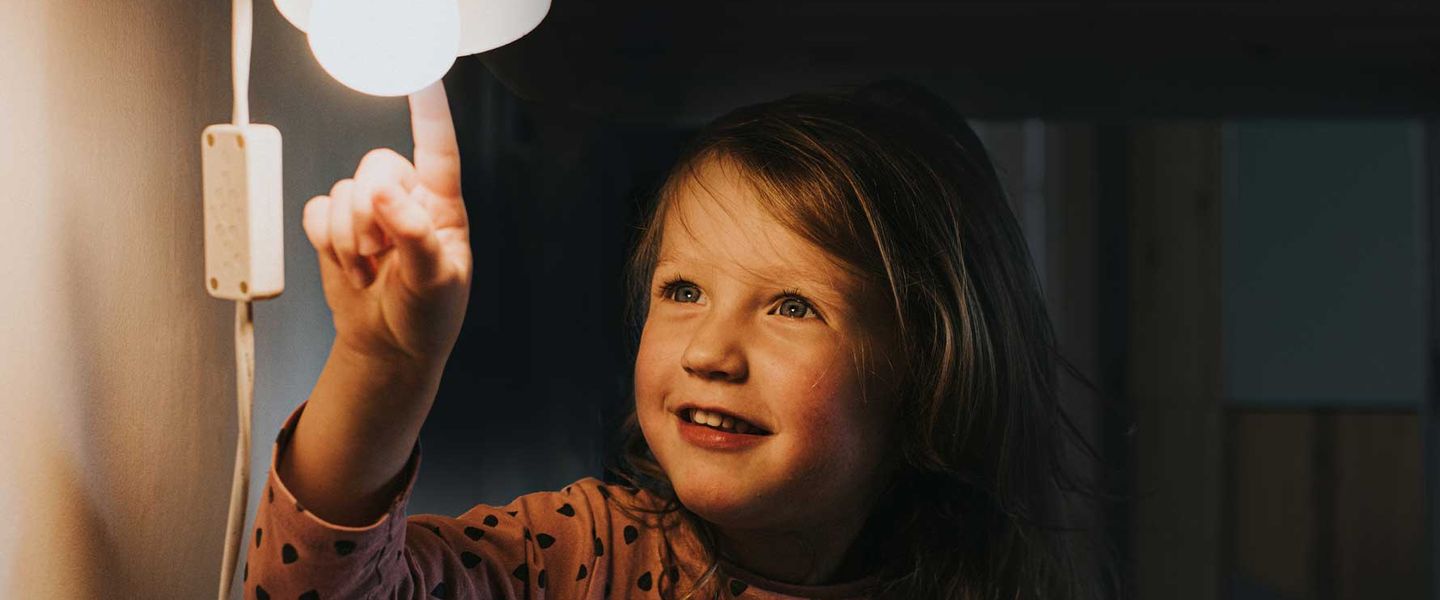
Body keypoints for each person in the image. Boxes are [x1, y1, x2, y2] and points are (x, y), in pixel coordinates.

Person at [244, 79, 1110, 599]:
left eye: (793, 307)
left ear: (929, 365)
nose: (709, 352)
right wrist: (386, 367)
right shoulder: (590, 554)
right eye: (683, 290)